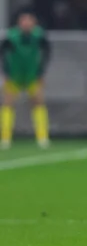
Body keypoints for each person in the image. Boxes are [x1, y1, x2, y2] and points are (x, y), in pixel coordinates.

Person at [0, 9, 51, 149]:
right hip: (14, 75)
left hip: (32, 75)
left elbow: (46, 53)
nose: (26, 23)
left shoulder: (38, 36)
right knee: (7, 103)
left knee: (38, 102)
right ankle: (5, 138)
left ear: (34, 22)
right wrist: (5, 73)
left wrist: (41, 73)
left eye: (29, 20)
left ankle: (42, 137)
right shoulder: (11, 37)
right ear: (19, 23)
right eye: (24, 20)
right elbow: (3, 54)